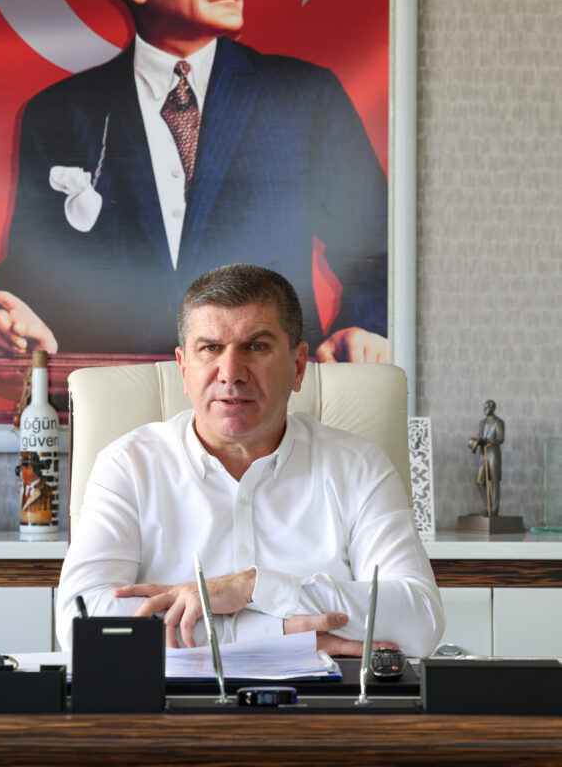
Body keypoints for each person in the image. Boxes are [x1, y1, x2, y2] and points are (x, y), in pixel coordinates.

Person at [0, 0, 388, 364]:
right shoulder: (57, 112)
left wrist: (363, 327)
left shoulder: (306, 97)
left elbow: (376, 246)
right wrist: (16, 323)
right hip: (112, 394)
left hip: (267, 391)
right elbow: (31, 271)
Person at [55, 263, 444, 656]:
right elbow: (81, 623)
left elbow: (420, 621)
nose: (231, 373)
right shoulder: (128, 466)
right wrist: (276, 632)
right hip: (174, 695)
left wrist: (252, 587)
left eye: (256, 346)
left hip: (321, 695)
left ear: (297, 366)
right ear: (184, 368)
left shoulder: (359, 467)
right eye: (210, 348)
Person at [469, 400, 505, 516]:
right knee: (480, 481)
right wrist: (475, 442)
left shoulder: (498, 422)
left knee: (494, 481)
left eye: (487, 407)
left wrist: (492, 442)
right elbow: (480, 438)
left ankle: (494, 509)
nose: (484, 409)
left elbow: (501, 438)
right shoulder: (482, 423)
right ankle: (488, 506)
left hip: (493, 453)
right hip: (483, 454)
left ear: (492, 408)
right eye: (484, 407)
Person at [17, 451, 54, 526]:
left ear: (30, 470)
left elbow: (46, 517)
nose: (20, 474)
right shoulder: (23, 488)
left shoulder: (47, 490)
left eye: (22, 470)